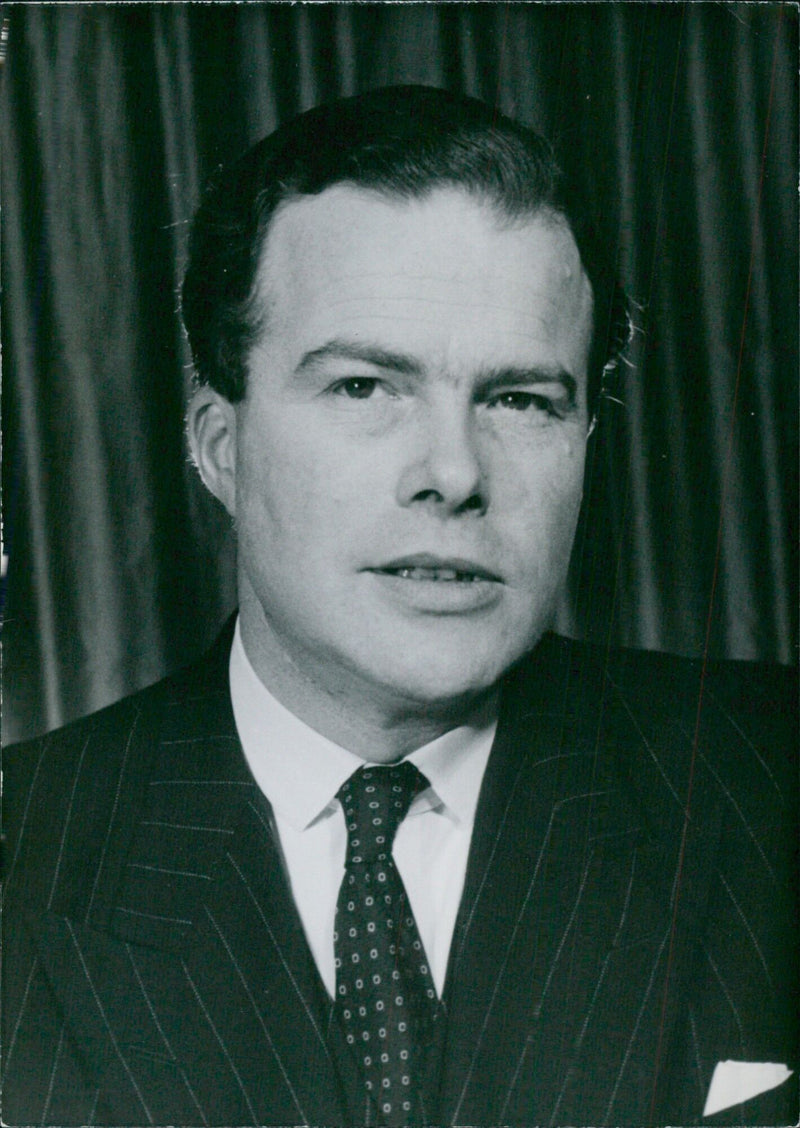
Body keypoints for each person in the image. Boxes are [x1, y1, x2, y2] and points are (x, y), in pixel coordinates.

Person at [2, 85, 796, 1128]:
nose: (453, 473)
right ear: (218, 446)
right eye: (365, 388)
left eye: (518, 400)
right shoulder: (29, 850)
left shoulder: (767, 782)